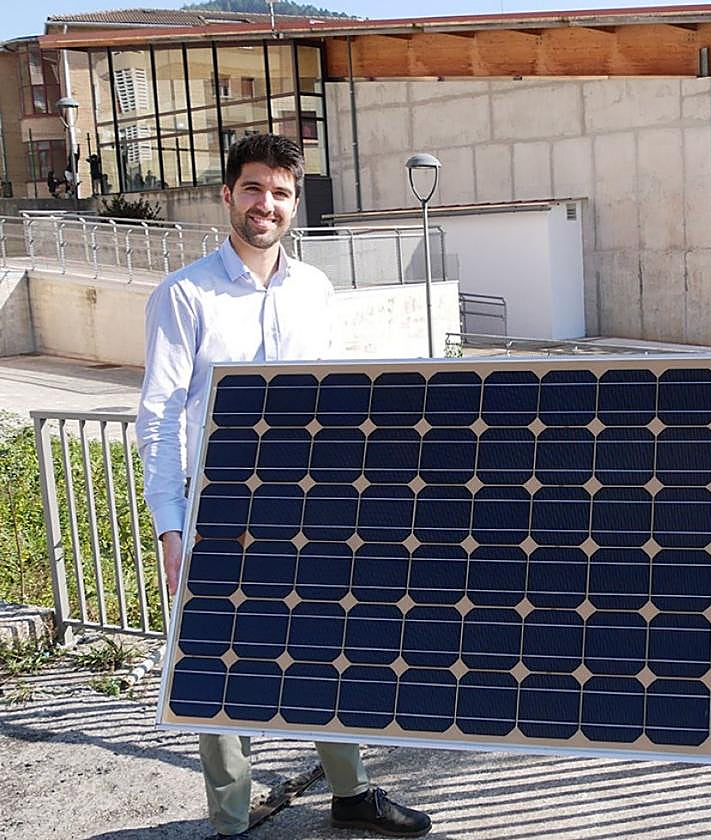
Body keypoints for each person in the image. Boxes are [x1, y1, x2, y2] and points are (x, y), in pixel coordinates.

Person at [135, 134, 432, 840]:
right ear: (228, 195)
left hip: (308, 507)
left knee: (325, 648)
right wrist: (171, 525)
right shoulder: (184, 295)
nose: (265, 203)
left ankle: (350, 793)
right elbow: (158, 413)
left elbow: (333, 403)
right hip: (219, 512)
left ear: (294, 205)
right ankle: (232, 819)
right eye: (252, 188)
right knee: (219, 658)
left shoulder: (315, 290)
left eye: (280, 192)